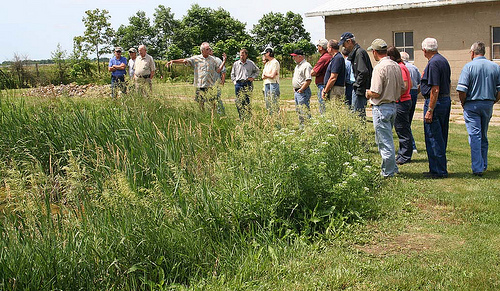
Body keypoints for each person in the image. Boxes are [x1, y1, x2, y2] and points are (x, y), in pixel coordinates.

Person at [456, 41, 500, 176]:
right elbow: (499, 90)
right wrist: (493, 101)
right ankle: (483, 163)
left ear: (472, 52)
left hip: (472, 104)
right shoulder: (495, 67)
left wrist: (463, 103)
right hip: (487, 103)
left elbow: (462, 90)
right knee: (483, 135)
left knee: (475, 136)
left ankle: (478, 167)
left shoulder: (468, 67)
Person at [366, 39, 405, 178]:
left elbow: (375, 92)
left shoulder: (379, 67)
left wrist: (368, 93)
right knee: (387, 138)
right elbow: (402, 88)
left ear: (375, 52)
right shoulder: (396, 65)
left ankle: (388, 172)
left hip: (381, 107)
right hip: (393, 105)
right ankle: (392, 168)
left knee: (384, 141)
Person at [420, 37, 451, 178]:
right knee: (441, 136)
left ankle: (438, 171)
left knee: (433, 137)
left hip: (436, 102)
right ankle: (438, 168)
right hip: (445, 100)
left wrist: (430, 110)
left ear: (425, 50)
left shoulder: (433, 63)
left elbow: (435, 89)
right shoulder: (443, 60)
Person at [167, 42, 225, 113]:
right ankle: (203, 117)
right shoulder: (196, 58)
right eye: (207, 49)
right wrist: (173, 61)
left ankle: (213, 117)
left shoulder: (213, 59)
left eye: (209, 48)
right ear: (202, 51)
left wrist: (224, 62)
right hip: (200, 85)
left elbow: (218, 70)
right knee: (201, 103)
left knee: (212, 104)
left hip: (210, 85)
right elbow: (185, 60)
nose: (209, 50)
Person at [387, 47, 412, 165]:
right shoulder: (401, 66)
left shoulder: (400, 68)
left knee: (402, 129)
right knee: (401, 129)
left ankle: (405, 155)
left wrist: (395, 95)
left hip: (401, 102)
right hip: (403, 101)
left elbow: (405, 85)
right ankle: (402, 153)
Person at [339, 32, 373, 118]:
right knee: (357, 112)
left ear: (349, 41)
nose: (344, 47)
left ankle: (359, 131)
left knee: (358, 114)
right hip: (358, 88)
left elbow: (363, 72)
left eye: (344, 44)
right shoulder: (356, 53)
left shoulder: (359, 53)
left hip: (359, 89)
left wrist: (357, 85)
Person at [401, 51, 421, 154]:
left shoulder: (401, 67)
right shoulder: (414, 67)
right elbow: (420, 82)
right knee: (408, 120)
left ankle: (411, 146)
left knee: (405, 122)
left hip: (406, 93)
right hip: (413, 92)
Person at [231, 48, 259, 120]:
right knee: (239, 101)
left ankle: (248, 117)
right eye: (240, 55)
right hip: (238, 84)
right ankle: (241, 117)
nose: (241, 57)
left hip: (247, 83)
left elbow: (257, 71)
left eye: (243, 55)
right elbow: (232, 74)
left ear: (246, 55)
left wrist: (252, 77)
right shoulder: (236, 64)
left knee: (247, 100)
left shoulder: (251, 63)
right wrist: (235, 82)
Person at [291, 49, 313, 127]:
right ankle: (302, 127)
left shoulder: (306, 65)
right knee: (299, 111)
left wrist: (301, 89)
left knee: (304, 111)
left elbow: (308, 79)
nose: (293, 58)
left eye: (294, 56)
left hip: (303, 92)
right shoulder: (297, 66)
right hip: (297, 91)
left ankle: (307, 127)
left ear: (300, 56)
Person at [311, 39, 332, 114]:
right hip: (327, 83)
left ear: (321, 47)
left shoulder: (324, 58)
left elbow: (313, 72)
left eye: (318, 46)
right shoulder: (329, 56)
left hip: (322, 84)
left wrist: (317, 73)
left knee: (322, 105)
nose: (317, 47)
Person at [261, 47, 280, 115]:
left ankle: (276, 117)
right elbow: (262, 76)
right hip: (266, 83)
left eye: (265, 54)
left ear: (268, 53)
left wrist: (267, 75)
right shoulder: (267, 64)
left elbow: (272, 76)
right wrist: (268, 75)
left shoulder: (275, 62)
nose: (264, 56)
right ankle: (270, 117)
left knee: (274, 101)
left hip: (273, 83)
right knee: (268, 102)